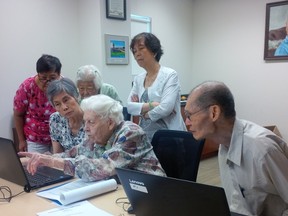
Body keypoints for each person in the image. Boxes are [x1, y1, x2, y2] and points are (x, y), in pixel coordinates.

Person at [184, 81, 288, 216]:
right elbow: (237, 203)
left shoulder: (262, 149)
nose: (186, 122)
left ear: (214, 112)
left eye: (189, 115)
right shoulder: (224, 144)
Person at [19, 94, 166, 182]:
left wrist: (51, 161)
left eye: (91, 122)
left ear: (109, 122)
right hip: (120, 194)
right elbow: (69, 154)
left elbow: (102, 167)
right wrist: (30, 160)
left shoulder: (131, 134)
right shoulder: (97, 138)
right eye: (85, 121)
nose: (86, 127)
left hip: (153, 196)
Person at [127, 32, 186, 142]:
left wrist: (144, 113)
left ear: (154, 51)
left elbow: (166, 108)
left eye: (141, 48)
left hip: (169, 136)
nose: (137, 54)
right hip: (145, 136)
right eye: (134, 51)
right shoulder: (138, 79)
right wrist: (152, 104)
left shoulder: (170, 75)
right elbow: (130, 107)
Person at [13, 54, 62, 153]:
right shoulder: (27, 87)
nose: (48, 82)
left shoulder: (63, 86)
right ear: (38, 74)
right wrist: (21, 140)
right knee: (36, 167)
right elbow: (18, 115)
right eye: (43, 78)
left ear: (59, 74)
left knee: (59, 166)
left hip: (60, 136)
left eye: (52, 78)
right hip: (35, 138)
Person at [47, 78, 85, 153]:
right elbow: (57, 154)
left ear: (76, 96)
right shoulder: (55, 119)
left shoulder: (91, 118)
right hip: (64, 163)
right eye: (57, 104)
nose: (64, 107)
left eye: (66, 100)